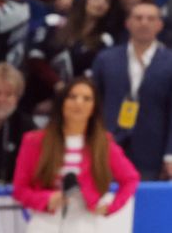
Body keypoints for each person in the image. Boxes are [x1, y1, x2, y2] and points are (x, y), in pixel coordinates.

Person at [12, 78, 139, 221]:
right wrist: (47, 199)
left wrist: (111, 206)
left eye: (87, 99)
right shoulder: (34, 141)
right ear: (62, 103)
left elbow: (130, 179)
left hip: (85, 222)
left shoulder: (103, 143)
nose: (79, 103)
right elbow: (20, 189)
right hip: (45, 221)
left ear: (94, 107)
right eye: (72, 97)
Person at [93, 2, 172, 179]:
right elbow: (94, 104)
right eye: (138, 18)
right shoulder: (106, 59)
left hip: (152, 150)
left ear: (159, 25)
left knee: (148, 202)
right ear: (127, 23)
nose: (144, 23)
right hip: (109, 146)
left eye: (151, 19)